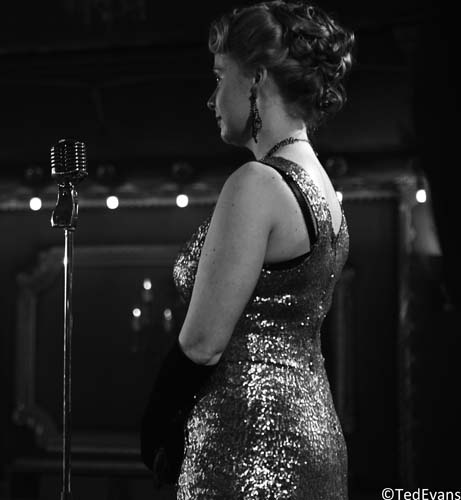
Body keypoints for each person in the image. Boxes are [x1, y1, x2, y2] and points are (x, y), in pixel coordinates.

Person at [140, 1, 355, 498]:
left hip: (247, 443)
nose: (212, 99)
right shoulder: (324, 189)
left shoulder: (257, 182)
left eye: (221, 77)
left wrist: (156, 421)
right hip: (314, 436)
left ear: (256, 79)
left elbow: (202, 344)